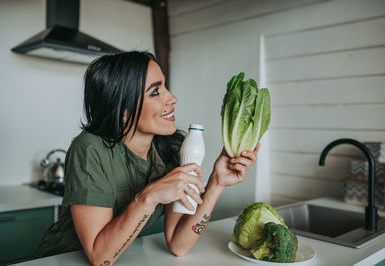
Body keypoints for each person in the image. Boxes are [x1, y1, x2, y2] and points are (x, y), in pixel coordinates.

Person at [35, 51, 260, 265]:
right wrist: (148, 197)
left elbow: (178, 244)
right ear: (123, 111)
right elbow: (99, 257)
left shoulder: (172, 149)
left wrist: (217, 182)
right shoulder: (90, 149)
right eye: (155, 92)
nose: (172, 98)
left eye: (165, 87)